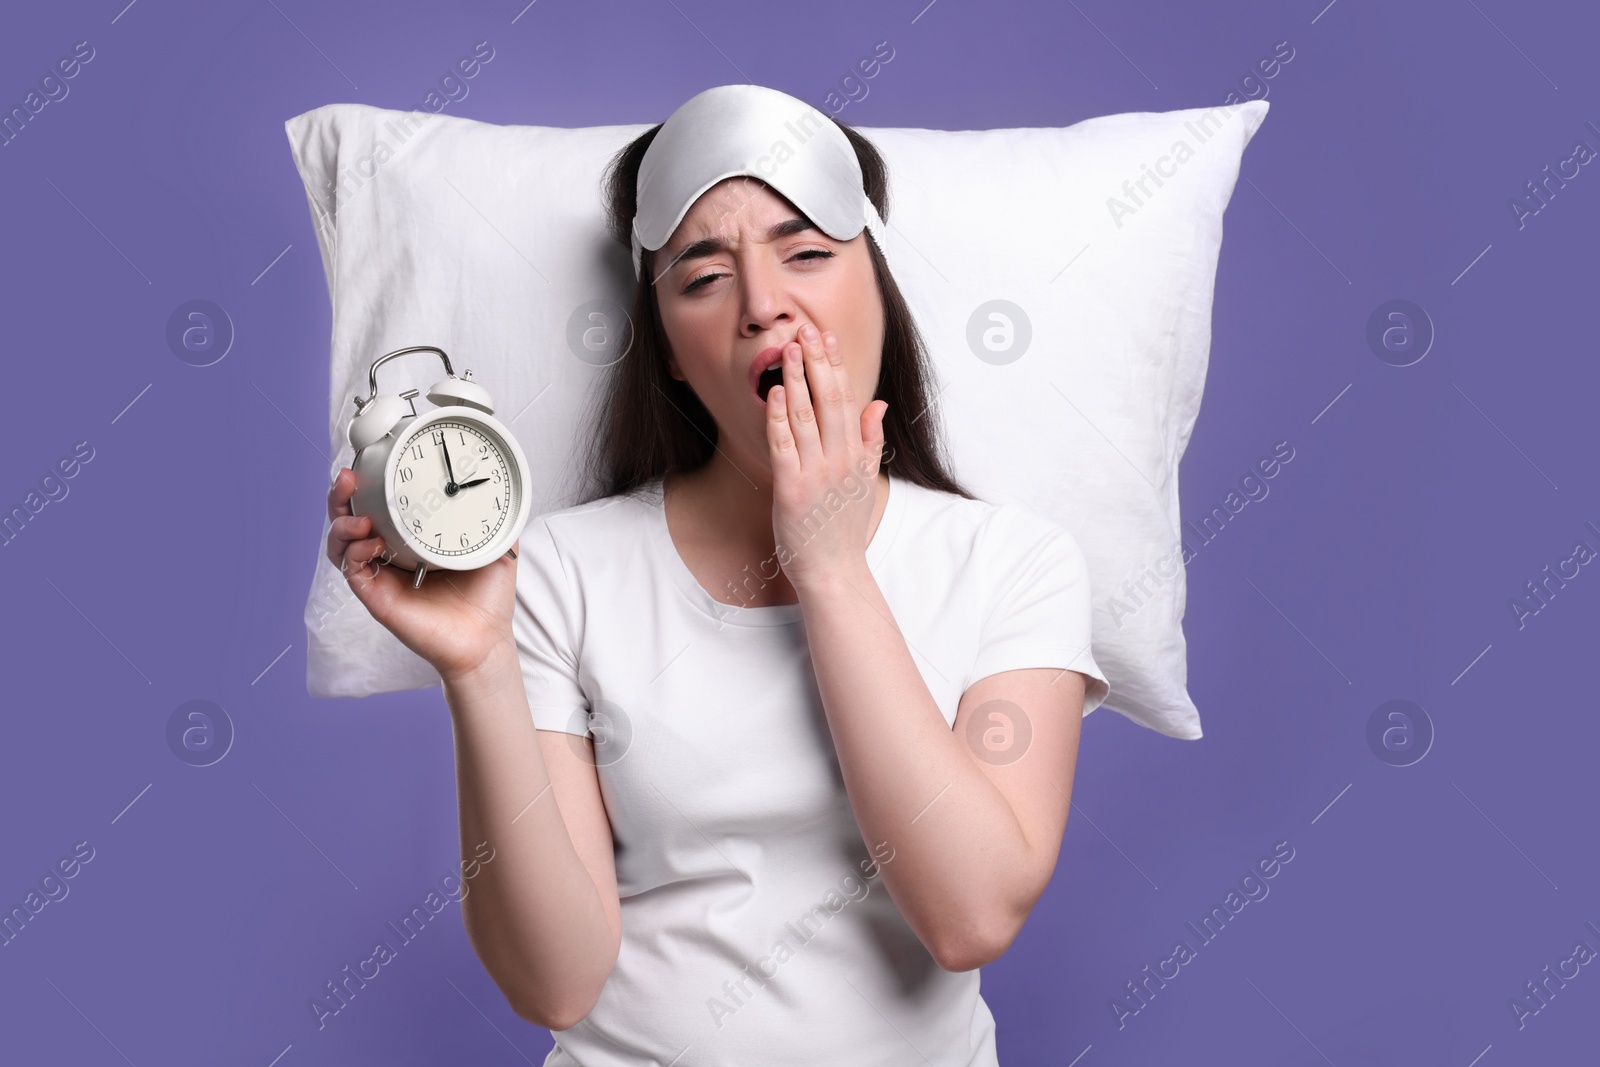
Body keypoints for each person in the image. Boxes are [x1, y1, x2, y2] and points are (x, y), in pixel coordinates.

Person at [325, 84, 1109, 1066]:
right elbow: (553, 980)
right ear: (674, 358)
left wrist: (825, 563)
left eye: (810, 253)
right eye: (702, 276)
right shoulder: (563, 569)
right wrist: (477, 666)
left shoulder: (1011, 563)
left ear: (878, 294)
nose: (763, 303)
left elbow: (971, 914)